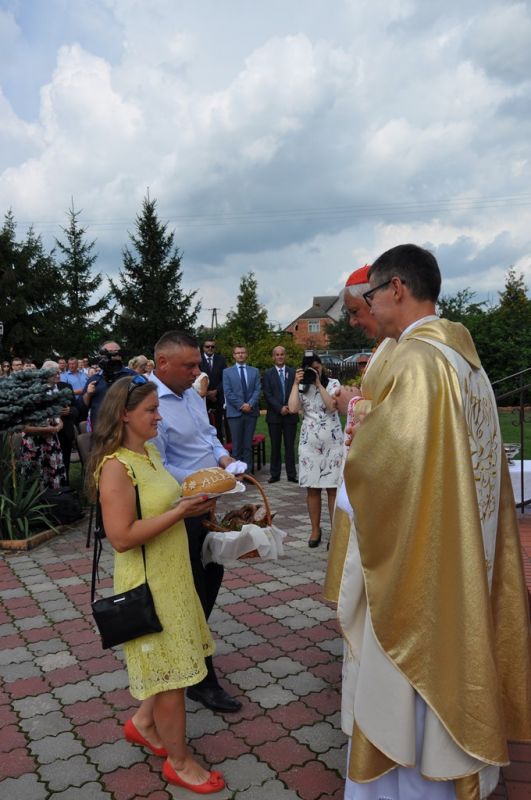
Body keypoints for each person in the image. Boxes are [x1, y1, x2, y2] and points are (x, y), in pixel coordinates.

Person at [335, 244, 531, 799]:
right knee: (456, 652)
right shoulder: (465, 359)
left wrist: (357, 451)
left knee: (408, 677)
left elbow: (393, 471)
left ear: (396, 287)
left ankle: (410, 789)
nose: (370, 307)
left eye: (370, 296)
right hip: (463, 548)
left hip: (420, 558)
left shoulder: (419, 361)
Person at [86, 375, 225, 793]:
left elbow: (163, 499)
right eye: (151, 410)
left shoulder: (146, 453)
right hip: (149, 581)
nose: (158, 416)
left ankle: (143, 723)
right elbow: (123, 537)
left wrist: (194, 501)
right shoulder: (116, 467)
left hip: (172, 575)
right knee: (171, 679)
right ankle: (179, 763)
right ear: (124, 415)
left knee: (175, 665)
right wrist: (180, 513)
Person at [150, 330, 242, 713]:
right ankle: (200, 675)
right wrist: (198, 485)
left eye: (197, 364)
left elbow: (208, 437)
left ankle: (188, 652)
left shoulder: (190, 394)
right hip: (178, 511)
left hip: (206, 504)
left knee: (212, 575)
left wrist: (225, 463)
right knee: (191, 590)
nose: (197, 371)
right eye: (189, 365)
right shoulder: (149, 402)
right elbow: (158, 464)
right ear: (162, 364)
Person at [288, 352, 342, 547]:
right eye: (310, 368)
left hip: (332, 442)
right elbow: (293, 408)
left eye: (316, 367)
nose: (314, 371)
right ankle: (315, 529)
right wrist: (295, 384)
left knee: (332, 488)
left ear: (322, 367)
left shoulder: (333, 384)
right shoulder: (302, 387)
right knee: (312, 488)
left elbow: (332, 406)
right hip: (309, 443)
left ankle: (336, 532)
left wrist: (319, 384)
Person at [263, 346, 298, 483]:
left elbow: (297, 392)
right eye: (277, 354)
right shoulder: (268, 373)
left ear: (285, 356)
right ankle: (275, 474)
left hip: (291, 415)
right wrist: (279, 408)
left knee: (290, 446)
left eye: (282, 354)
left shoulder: (293, 372)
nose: (280, 357)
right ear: (273, 357)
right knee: (275, 446)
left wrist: (289, 407)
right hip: (274, 416)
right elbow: (267, 394)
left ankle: (291, 474)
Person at [223, 345, 261, 469]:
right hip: (235, 413)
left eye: (243, 352)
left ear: (246, 354)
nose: (240, 354)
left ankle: (247, 472)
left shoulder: (254, 371)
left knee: (248, 445)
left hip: (251, 413)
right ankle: (237, 472)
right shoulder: (227, 372)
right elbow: (228, 392)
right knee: (236, 445)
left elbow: (257, 390)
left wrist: (249, 404)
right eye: (238, 352)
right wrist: (241, 405)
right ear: (234, 355)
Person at [81, 341, 134, 428]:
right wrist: (88, 394)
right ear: (102, 356)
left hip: (126, 430)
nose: (112, 356)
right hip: (100, 432)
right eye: (109, 352)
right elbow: (82, 407)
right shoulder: (94, 379)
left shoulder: (132, 376)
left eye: (115, 352)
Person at [42, 360, 79, 483]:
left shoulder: (66, 387)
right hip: (46, 434)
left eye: (59, 372)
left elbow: (76, 408)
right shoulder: (39, 390)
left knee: (65, 463)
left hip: (65, 433)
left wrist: (70, 410)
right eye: (55, 373)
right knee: (48, 466)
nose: (58, 375)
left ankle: (65, 487)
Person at [200, 339, 227, 441]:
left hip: (217, 397)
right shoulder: (198, 360)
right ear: (203, 348)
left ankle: (220, 450)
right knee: (205, 425)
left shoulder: (221, 360)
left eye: (212, 346)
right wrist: (207, 393)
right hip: (203, 399)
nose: (210, 348)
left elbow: (225, 377)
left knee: (219, 426)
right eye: (207, 346)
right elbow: (195, 378)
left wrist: (216, 391)